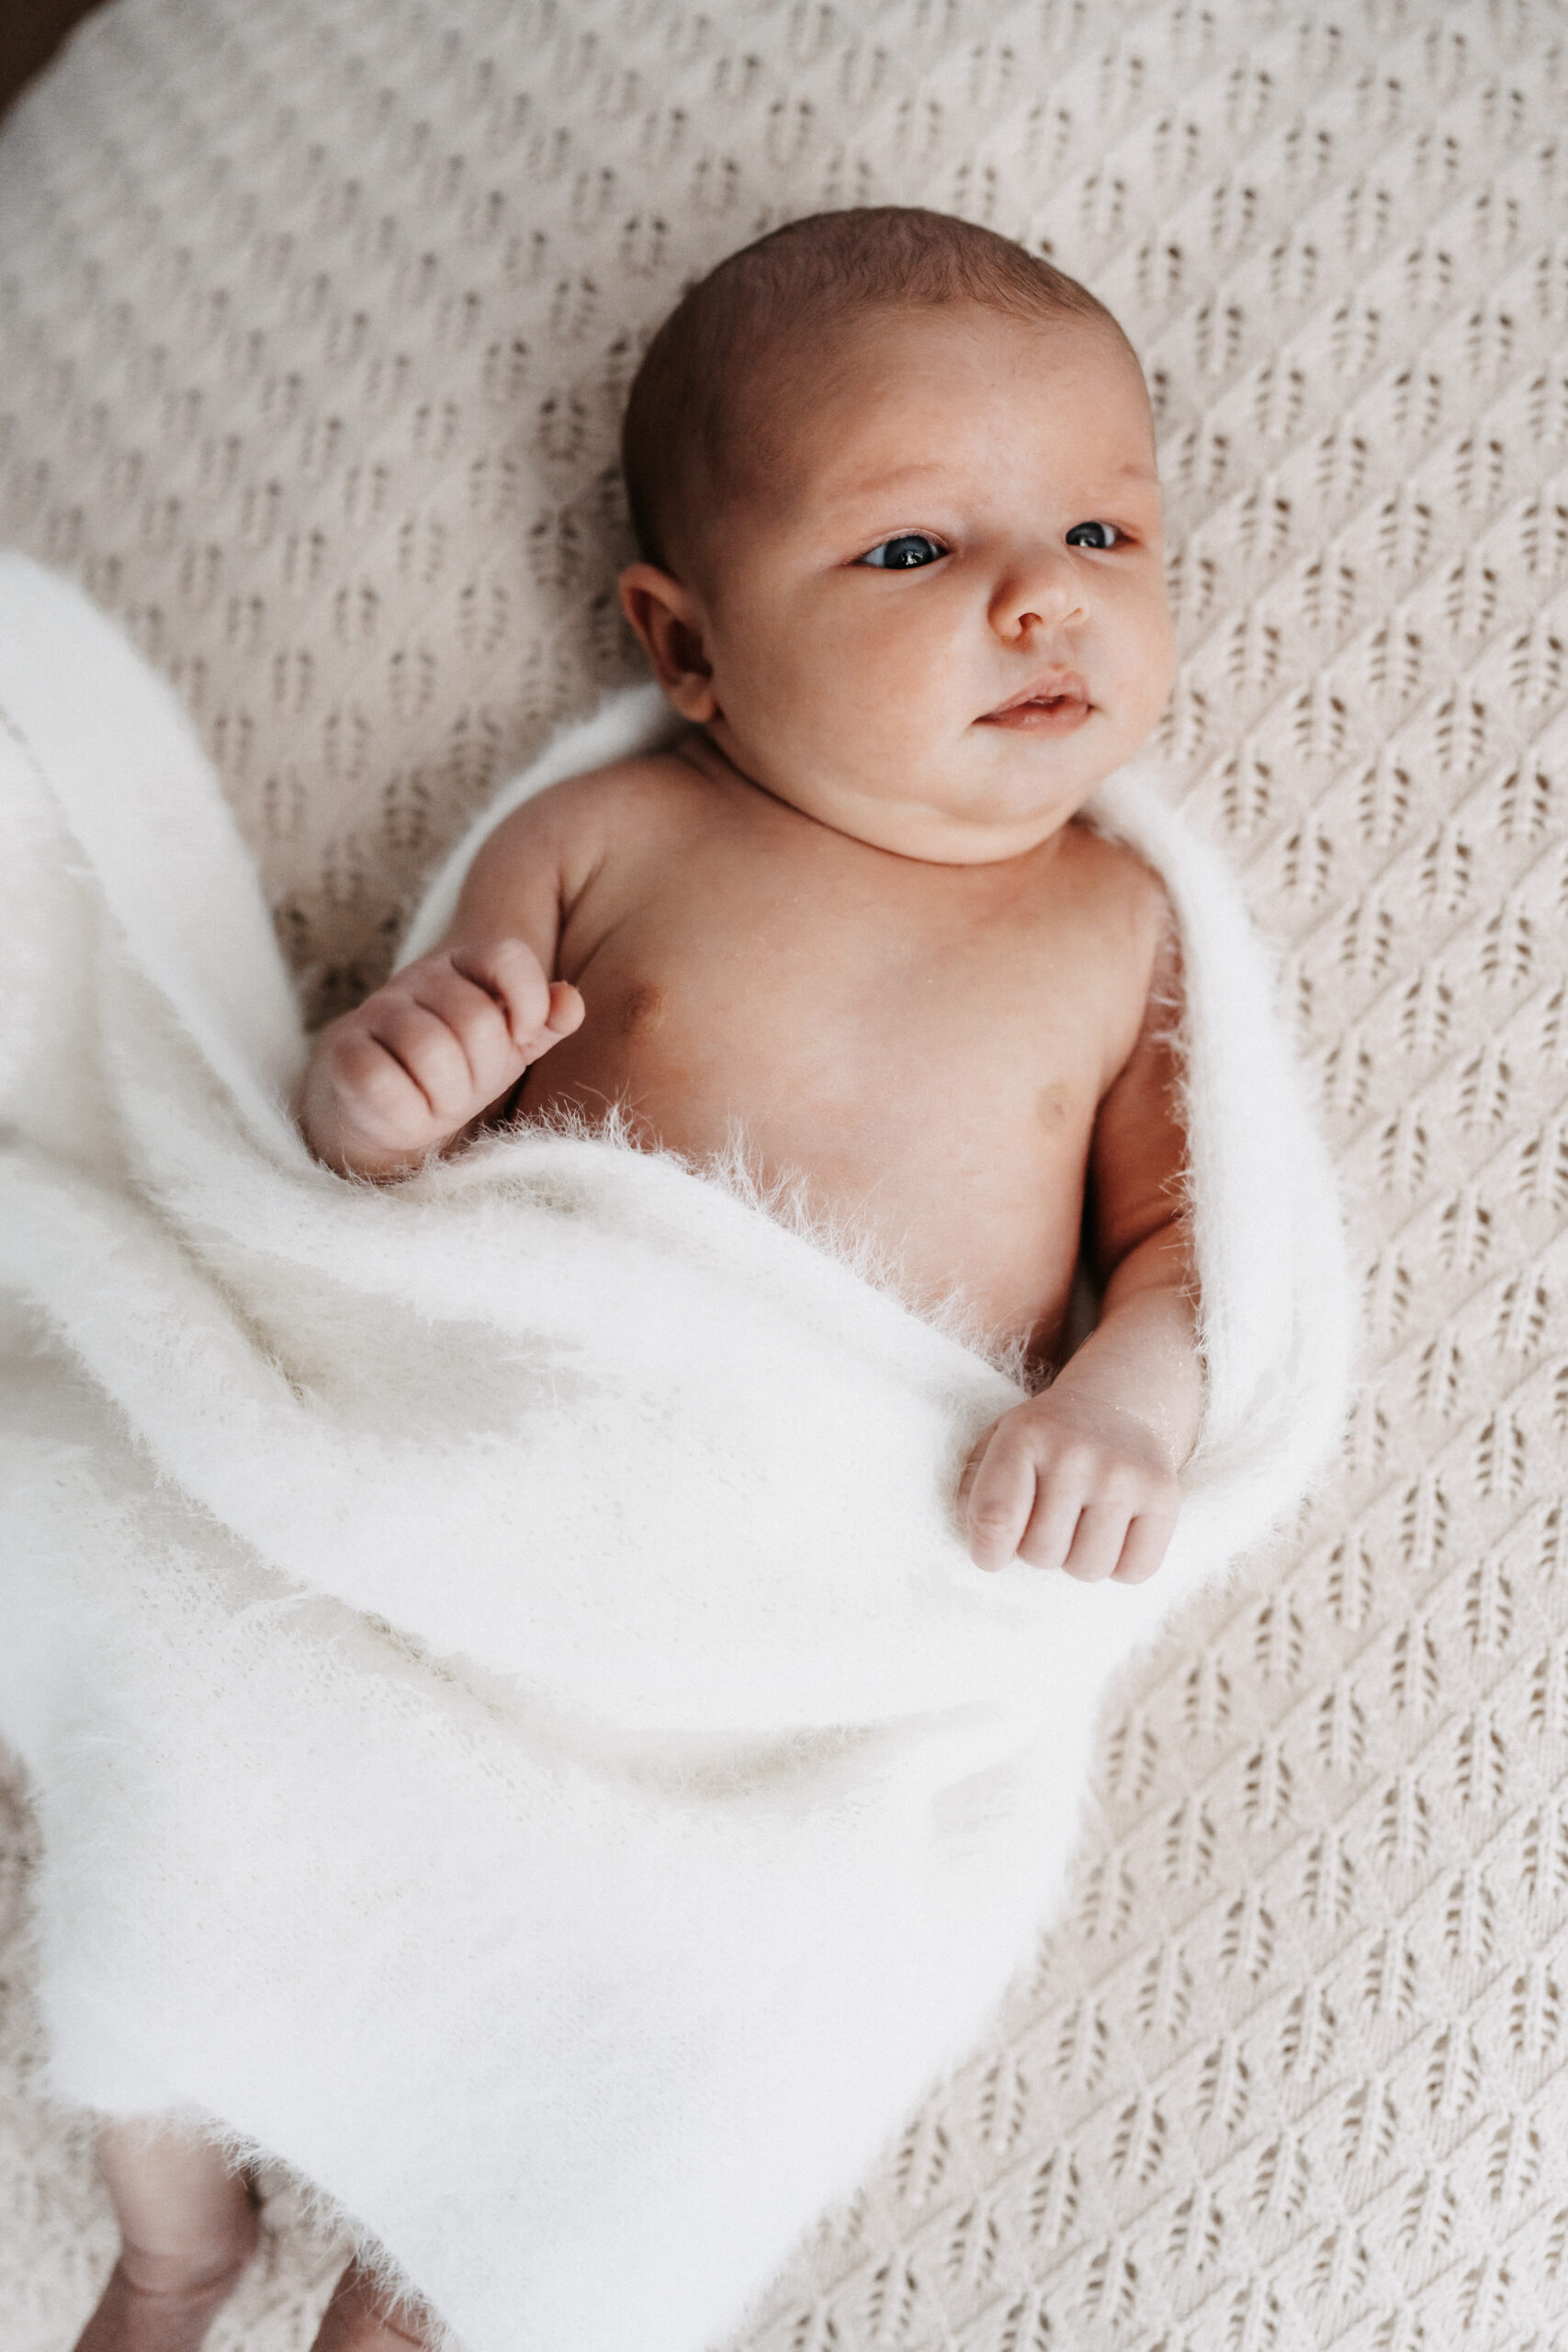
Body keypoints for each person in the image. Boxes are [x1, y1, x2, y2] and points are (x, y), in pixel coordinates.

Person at [76, 204, 1201, 2352]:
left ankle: (421, 2283)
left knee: (633, 2039)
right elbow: (391, 1188)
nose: (1040, 591)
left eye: (1099, 528)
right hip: (484, 1534)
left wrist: (1119, 1404)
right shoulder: (608, 843)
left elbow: (1178, 1259)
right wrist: (380, 1103)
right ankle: (172, 2235)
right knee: (202, 1789)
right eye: (911, 547)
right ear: (685, 647)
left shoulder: (1111, 926)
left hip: (787, 1632)